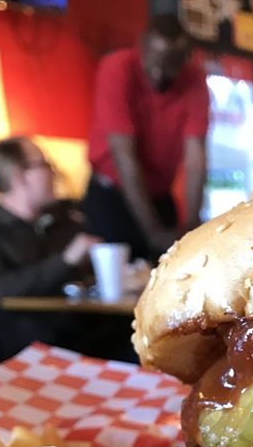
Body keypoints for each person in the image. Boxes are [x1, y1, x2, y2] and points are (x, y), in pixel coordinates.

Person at [84, 14, 209, 262]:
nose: (159, 75)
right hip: (113, 197)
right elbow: (124, 157)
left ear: (185, 60)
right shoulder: (117, 68)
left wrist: (193, 226)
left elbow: (196, 159)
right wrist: (152, 232)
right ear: (141, 47)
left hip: (160, 197)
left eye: (170, 68)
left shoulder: (194, 79)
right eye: (153, 65)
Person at [0, 137, 100, 367]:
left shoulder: (58, 222)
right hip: (23, 363)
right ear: (20, 177)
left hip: (76, 345)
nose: (54, 172)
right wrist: (65, 261)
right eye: (44, 164)